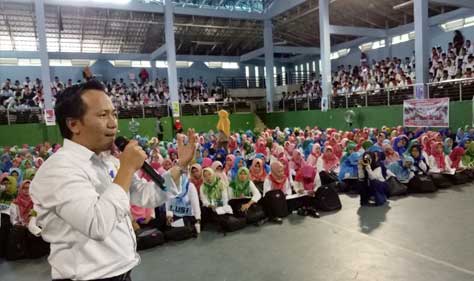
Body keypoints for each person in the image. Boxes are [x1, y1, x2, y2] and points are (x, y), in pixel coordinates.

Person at [30, 80, 196, 281]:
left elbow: (148, 195)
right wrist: (126, 167)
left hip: (122, 272)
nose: (113, 123)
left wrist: (179, 166)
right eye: (102, 115)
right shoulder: (59, 169)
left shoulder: (108, 162)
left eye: (114, 114)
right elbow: (97, 225)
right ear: (73, 124)